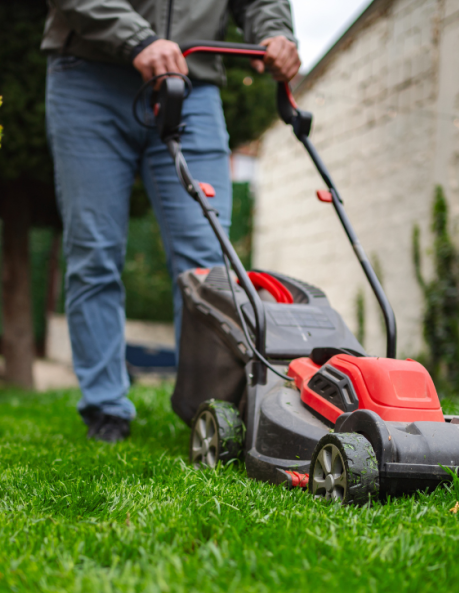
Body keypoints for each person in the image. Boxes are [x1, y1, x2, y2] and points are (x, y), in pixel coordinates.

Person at [42, 1, 301, 442]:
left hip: (191, 85)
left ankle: (207, 408)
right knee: (95, 250)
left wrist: (276, 33)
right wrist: (136, 39)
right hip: (89, 74)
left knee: (207, 266)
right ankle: (106, 410)